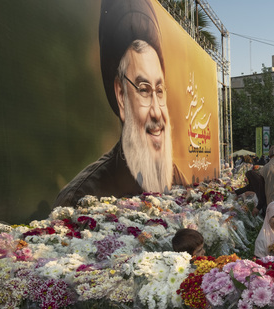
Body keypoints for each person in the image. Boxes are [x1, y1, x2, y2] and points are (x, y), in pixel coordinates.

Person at [54, 0, 186, 208]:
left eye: (159, 91)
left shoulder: (175, 176)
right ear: (121, 96)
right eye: (143, 90)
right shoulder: (81, 197)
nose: (157, 112)